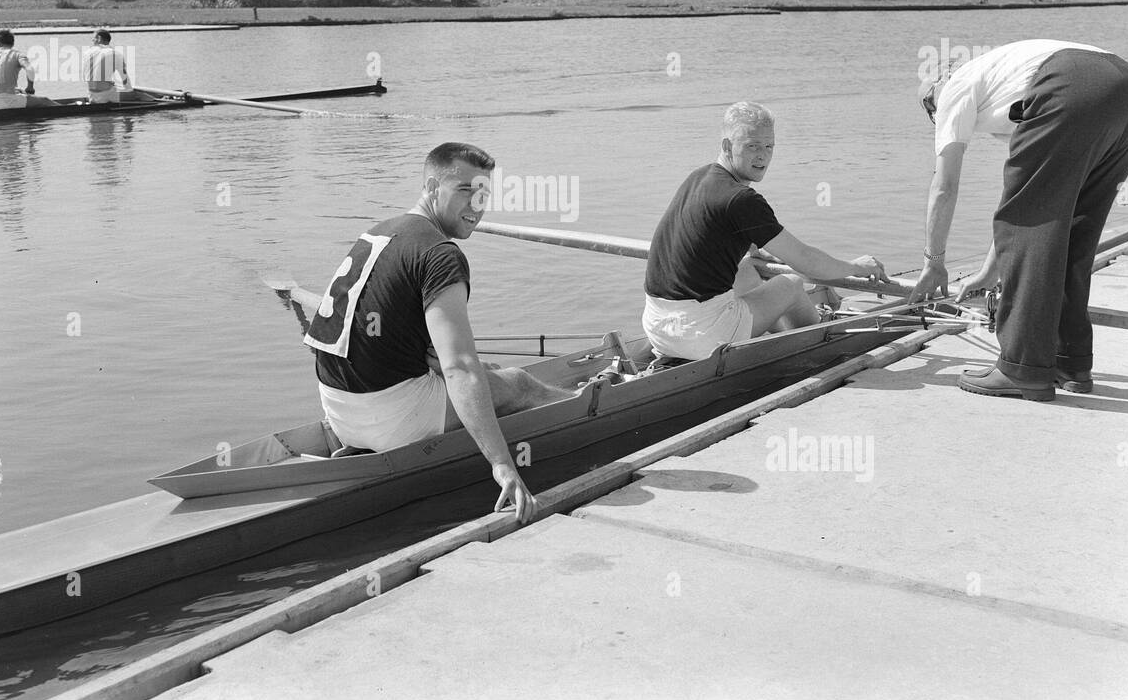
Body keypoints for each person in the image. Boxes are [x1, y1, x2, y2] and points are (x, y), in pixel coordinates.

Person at [305, 142, 575, 523]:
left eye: (483, 193)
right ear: (432, 188)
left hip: (337, 410)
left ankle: (363, 441)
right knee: (519, 382)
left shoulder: (379, 232)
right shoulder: (440, 254)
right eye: (465, 190)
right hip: (392, 417)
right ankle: (585, 401)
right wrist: (503, 464)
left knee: (487, 369)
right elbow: (459, 368)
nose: (477, 205)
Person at [912, 39, 1128, 400]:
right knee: (1075, 225)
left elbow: (944, 187)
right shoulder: (1007, 86)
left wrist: (933, 262)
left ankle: (1022, 368)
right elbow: (1032, 199)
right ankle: (1069, 360)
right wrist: (989, 272)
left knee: (1031, 221)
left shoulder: (955, 85)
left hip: (1074, 88)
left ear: (940, 82)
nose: (934, 115)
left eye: (928, 105)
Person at [642, 102, 886, 361]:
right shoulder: (742, 199)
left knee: (745, 267)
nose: (762, 156)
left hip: (658, 327)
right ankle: (821, 353)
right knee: (791, 284)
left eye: (769, 146)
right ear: (727, 146)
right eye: (752, 146)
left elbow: (709, 230)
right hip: (703, 336)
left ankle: (777, 337)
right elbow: (808, 262)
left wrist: (753, 246)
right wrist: (858, 267)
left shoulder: (698, 177)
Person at [82, 29, 152, 103]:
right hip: (106, 96)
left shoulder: (87, 53)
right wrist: (130, 92)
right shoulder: (116, 54)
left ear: (99, 39)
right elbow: (125, 79)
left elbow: (85, 77)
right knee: (139, 95)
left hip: (92, 96)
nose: (92, 41)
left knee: (109, 86)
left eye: (93, 39)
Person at [0, 29, 37, 109]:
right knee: (45, 101)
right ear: (13, 43)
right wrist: (30, 87)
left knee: (18, 94)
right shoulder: (17, 54)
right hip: (8, 100)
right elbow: (30, 69)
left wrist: (15, 90)